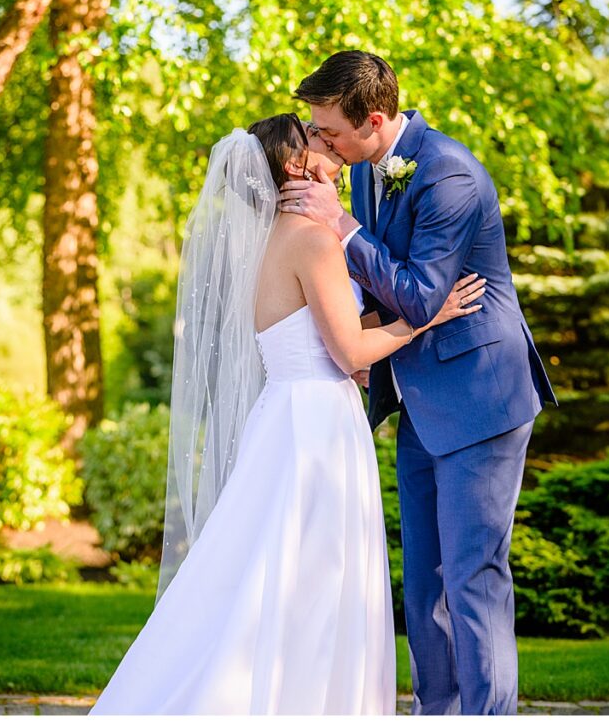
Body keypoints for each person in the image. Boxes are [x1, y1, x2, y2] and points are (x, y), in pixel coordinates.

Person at [88, 113, 487, 715]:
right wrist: (428, 315)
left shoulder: (271, 237)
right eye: (315, 140)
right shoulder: (314, 239)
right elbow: (351, 351)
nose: (329, 146)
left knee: (269, 569)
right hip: (317, 427)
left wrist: (388, 328)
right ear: (296, 167)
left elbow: (331, 337)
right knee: (318, 578)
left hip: (288, 415)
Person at [283, 51, 558, 715]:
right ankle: (439, 711)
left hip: (480, 398)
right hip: (419, 401)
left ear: (374, 120)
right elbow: (379, 285)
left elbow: (418, 294)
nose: (320, 144)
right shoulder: (369, 172)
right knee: (423, 588)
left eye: (329, 133)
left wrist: (340, 226)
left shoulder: (449, 174)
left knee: (472, 579)